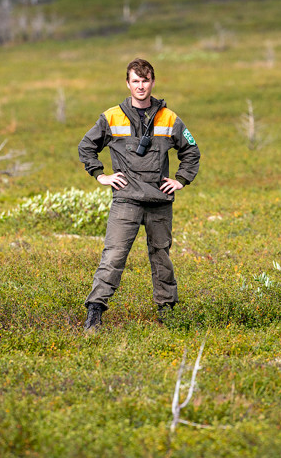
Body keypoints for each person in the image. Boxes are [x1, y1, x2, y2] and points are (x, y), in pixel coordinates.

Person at [78, 58, 201, 333]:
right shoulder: (111, 116)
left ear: (152, 82)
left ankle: (167, 312)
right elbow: (86, 147)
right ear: (128, 83)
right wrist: (101, 175)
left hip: (159, 201)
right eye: (136, 81)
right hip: (126, 200)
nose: (141, 86)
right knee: (113, 256)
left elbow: (191, 151)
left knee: (161, 257)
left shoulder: (169, 118)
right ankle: (94, 313)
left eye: (145, 80)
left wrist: (181, 180)